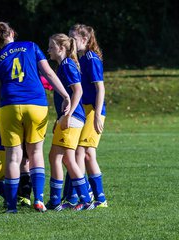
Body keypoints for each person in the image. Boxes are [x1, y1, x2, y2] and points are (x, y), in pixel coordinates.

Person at [0, 22, 71, 213]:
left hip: (10, 106)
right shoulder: (31, 46)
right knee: (35, 153)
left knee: (13, 157)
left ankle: (11, 206)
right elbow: (48, 72)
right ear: (13, 33)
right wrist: (66, 96)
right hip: (36, 104)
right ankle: (39, 200)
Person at [46, 33, 94, 211]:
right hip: (69, 118)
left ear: (61, 47)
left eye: (51, 47)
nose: (48, 50)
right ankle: (57, 201)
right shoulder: (63, 66)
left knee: (65, 158)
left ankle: (83, 199)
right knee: (57, 157)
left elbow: (78, 91)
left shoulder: (66, 65)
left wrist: (67, 115)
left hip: (73, 118)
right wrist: (60, 117)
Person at [69, 24, 108, 208]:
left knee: (81, 152)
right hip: (85, 109)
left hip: (93, 109)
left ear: (84, 40)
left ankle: (81, 195)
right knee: (88, 155)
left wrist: (98, 115)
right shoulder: (81, 58)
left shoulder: (91, 58)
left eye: (73, 39)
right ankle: (98, 198)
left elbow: (100, 88)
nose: (70, 42)